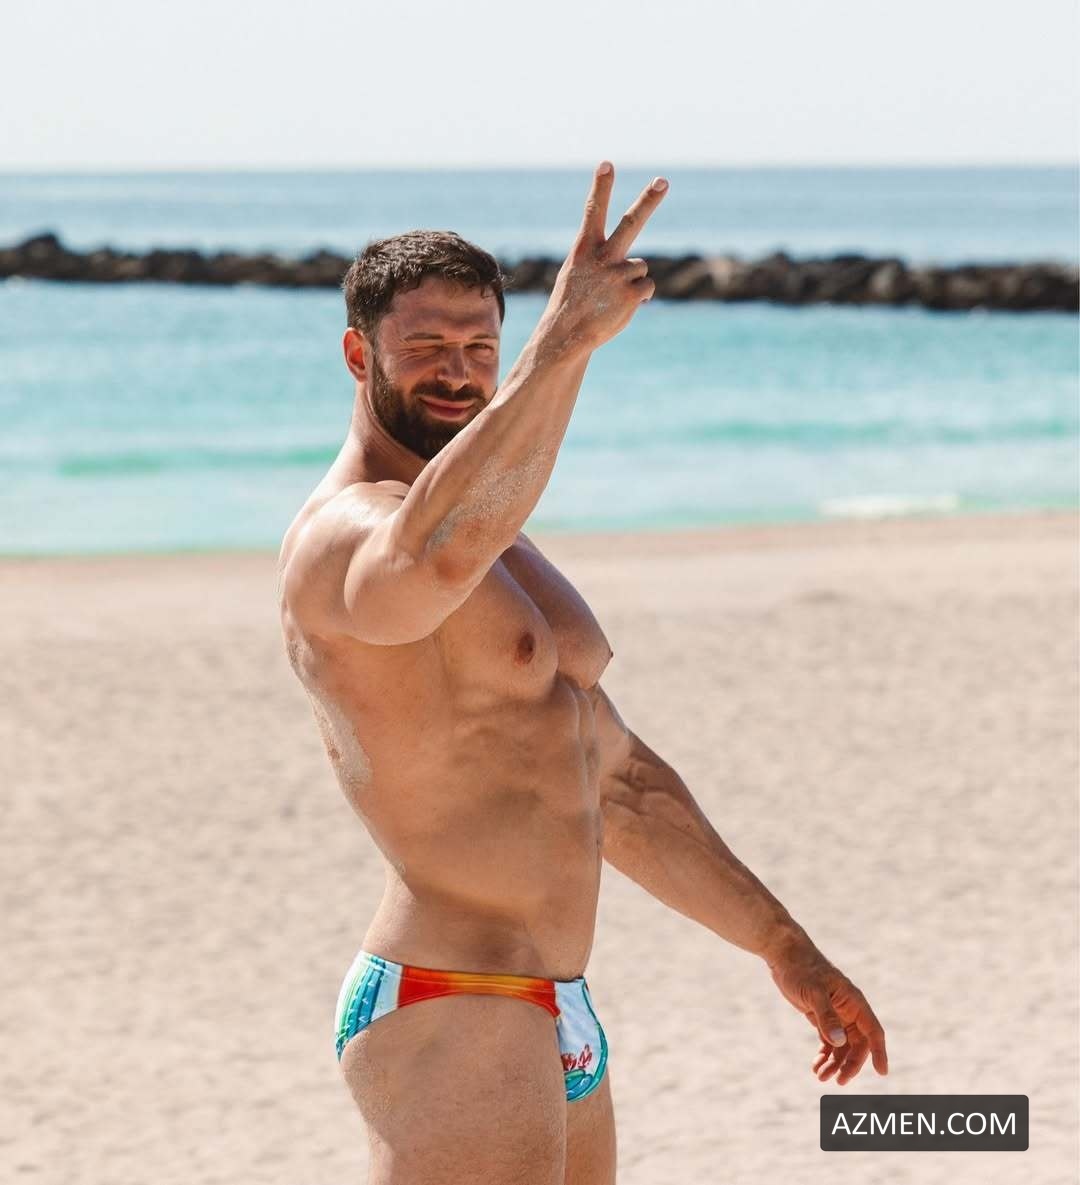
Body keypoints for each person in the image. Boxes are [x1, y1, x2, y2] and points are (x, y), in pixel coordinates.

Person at [277, 162, 888, 1185]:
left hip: (557, 1001)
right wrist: (564, 344)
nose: (457, 372)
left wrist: (784, 945)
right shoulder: (346, 533)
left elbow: (614, 777)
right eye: (425, 347)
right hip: (452, 997)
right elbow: (426, 563)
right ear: (357, 354)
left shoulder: (502, 542)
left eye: (480, 348)